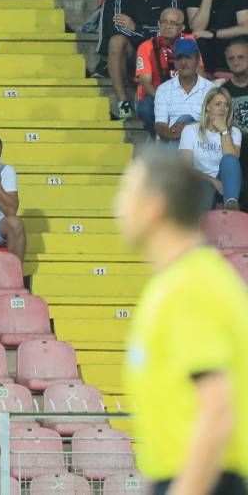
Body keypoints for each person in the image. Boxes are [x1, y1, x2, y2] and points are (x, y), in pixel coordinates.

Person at [118, 147, 248, 495]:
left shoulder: (190, 285)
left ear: (154, 206)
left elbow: (217, 409)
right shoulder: (175, 282)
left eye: (127, 192)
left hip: (205, 481)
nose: (118, 206)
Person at [109, 0, 183, 123]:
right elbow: (118, 27)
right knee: (116, 41)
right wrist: (147, 32)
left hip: (160, 50)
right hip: (133, 51)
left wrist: (137, 28)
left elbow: (171, 30)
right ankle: (124, 105)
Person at [186, 0, 248, 73]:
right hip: (206, 45)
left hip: (230, 40)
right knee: (198, 41)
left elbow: (245, 27)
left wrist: (213, 34)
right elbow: (197, 29)